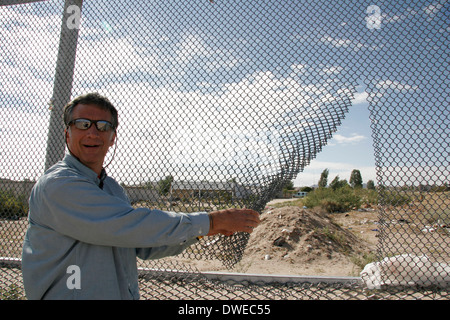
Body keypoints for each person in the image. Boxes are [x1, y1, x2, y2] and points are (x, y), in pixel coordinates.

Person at [21, 92, 260, 300]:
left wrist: (202, 231)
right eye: (83, 124)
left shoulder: (112, 188)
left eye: (103, 126)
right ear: (67, 133)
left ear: (112, 137)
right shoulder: (58, 184)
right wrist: (211, 221)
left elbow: (143, 246)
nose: (93, 133)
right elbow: (128, 226)